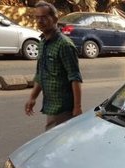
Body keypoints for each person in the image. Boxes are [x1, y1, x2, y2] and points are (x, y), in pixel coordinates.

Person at [25, 1, 82, 131]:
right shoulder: (43, 43)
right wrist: (32, 97)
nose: (40, 21)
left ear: (55, 18)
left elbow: (75, 78)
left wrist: (77, 108)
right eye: (37, 17)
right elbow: (41, 74)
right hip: (51, 107)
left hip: (64, 109)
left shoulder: (64, 45)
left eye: (44, 17)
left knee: (57, 145)